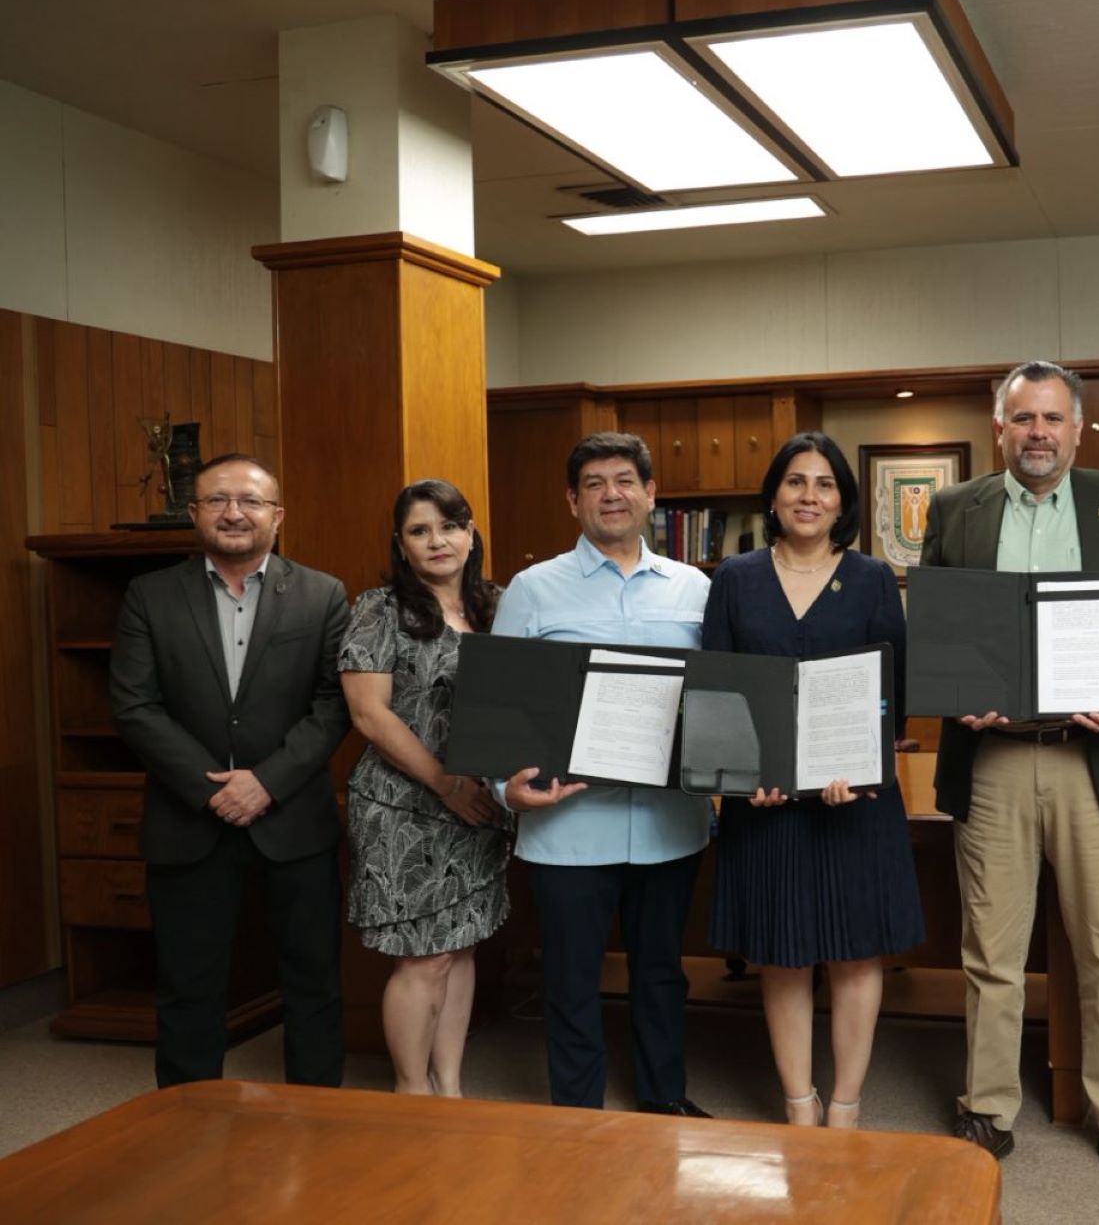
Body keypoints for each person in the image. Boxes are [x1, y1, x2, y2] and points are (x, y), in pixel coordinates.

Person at [920, 359, 1099, 1204]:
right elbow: (936, 623)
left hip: (1093, 758)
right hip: (993, 759)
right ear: (1000, 428)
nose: (1038, 433)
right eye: (1023, 419)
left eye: (1053, 419)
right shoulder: (958, 509)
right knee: (991, 951)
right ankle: (988, 1108)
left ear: (1078, 429)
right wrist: (959, 693)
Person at [702, 432, 923, 1128]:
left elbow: (895, 692)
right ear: (773, 496)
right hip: (764, 803)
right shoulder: (734, 579)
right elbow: (719, 691)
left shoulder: (871, 578)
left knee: (858, 953)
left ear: (843, 502)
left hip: (853, 800)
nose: (808, 495)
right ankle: (799, 1099)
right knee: (783, 952)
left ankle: (847, 1102)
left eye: (824, 484)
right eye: (795, 482)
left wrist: (861, 762)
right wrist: (747, 775)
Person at [109, 453, 351, 1088]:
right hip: (188, 823)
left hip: (293, 819)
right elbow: (135, 705)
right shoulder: (150, 595)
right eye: (217, 500)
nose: (233, 512)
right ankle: (186, 1135)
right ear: (193, 514)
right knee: (189, 989)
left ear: (278, 515)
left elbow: (333, 704)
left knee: (314, 983)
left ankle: (323, 1125)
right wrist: (211, 789)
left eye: (249, 500)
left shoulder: (323, 594)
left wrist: (265, 781)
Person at [492, 432, 713, 1115]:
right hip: (568, 826)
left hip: (668, 824)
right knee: (570, 979)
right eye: (594, 482)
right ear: (572, 500)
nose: (611, 493)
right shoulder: (532, 589)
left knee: (659, 974)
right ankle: (578, 1114)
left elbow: (722, 697)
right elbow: (501, 704)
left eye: (625, 480)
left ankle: (662, 1099)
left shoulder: (697, 589)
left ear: (651, 494)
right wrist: (505, 789)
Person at [340, 479, 510, 1097]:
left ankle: (452, 1088)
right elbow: (369, 715)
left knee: (461, 948)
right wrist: (444, 784)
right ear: (401, 545)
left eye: (449, 525)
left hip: (481, 805)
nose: (437, 541)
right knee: (422, 956)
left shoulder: (500, 606)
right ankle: (412, 1093)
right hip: (402, 805)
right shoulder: (378, 609)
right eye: (419, 530)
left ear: (472, 534)